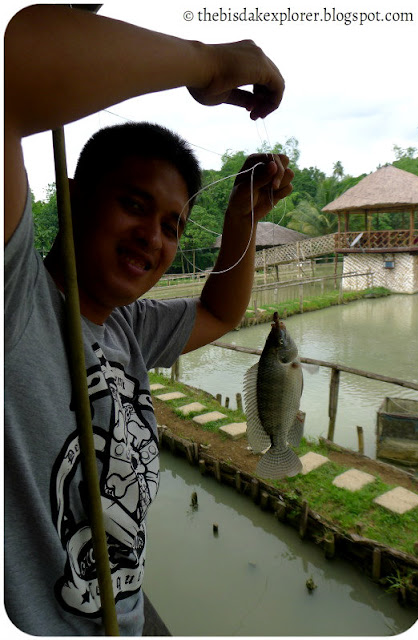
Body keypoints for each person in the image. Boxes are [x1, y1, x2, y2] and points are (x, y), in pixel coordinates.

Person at [4, 5, 294, 636]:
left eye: (172, 225)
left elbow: (219, 311)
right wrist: (210, 62)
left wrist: (242, 218)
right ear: (72, 197)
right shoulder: (16, 298)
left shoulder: (126, 328)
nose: (154, 239)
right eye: (134, 204)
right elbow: (11, 70)